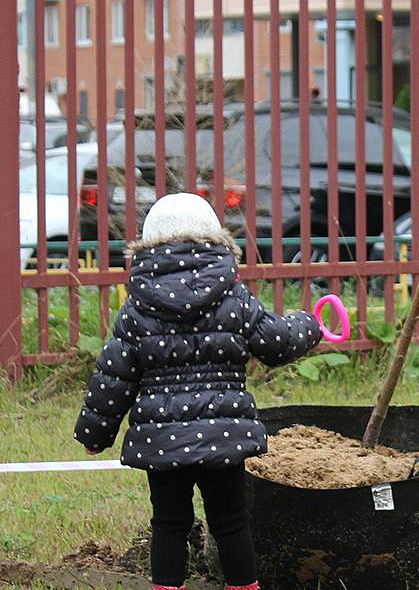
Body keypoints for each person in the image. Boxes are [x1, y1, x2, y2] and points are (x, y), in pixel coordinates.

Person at [73, 193, 324, 590]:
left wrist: (95, 434)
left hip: (162, 440)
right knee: (231, 521)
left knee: (169, 523)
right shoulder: (234, 298)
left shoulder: (138, 308)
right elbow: (275, 343)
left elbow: (114, 374)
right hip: (224, 436)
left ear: (148, 246)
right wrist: (310, 325)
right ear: (215, 241)